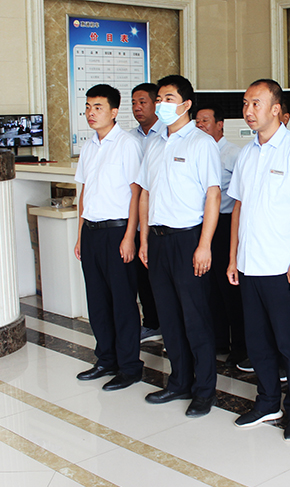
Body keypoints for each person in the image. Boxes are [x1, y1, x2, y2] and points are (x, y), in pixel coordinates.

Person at [227, 79, 290, 442]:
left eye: (256, 104)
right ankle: (267, 402)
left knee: (289, 344)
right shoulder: (246, 153)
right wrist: (233, 258)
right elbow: (238, 209)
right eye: (246, 104)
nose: (248, 111)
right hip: (249, 265)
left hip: (281, 267)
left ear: (276, 109)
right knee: (257, 341)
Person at [137, 74, 222, 418]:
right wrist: (143, 238)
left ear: (186, 104)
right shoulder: (155, 143)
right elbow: (145, 193)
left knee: (195, 318)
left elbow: (213, 195)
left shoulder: (202, 143)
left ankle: (204, 390)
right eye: (159, 99)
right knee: (169, 317)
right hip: (157, 240)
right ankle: (179, 381)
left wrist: (205, 245)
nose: (161, 105)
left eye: (168, 99)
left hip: (188, 239)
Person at [74, 84, 145, 391]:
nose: (91, 113)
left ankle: (129, 366)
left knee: (123, 301)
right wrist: (80, 235)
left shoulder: (127, 144)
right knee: (97, 300)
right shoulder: (89, 147)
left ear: (114, 111)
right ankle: (105, 359)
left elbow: (136, 193)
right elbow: (84, 193)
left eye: (98, 107)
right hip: (91, 232)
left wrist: (130, 237)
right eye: (88, 107)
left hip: (118, 232)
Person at [194, 104, 246, 365]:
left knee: (230, 289)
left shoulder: (234, 154)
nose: (200, 125)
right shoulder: (196, 150)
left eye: (205, 120)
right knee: (210, 287)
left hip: (226, 225)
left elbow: (242, 197)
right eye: (197, 121)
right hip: (204, 226)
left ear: (220, 124)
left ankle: (240, 346)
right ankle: (218, 340)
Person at [130, 82, 164, 344]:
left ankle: (167, 323)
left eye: (143, 102)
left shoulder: (165, 135)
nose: (137, 107)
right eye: (134, 103)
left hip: (163, 219)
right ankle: (151, 322)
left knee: (163, 279)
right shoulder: (129, 138)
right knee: (143, 276)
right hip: (139, 215)